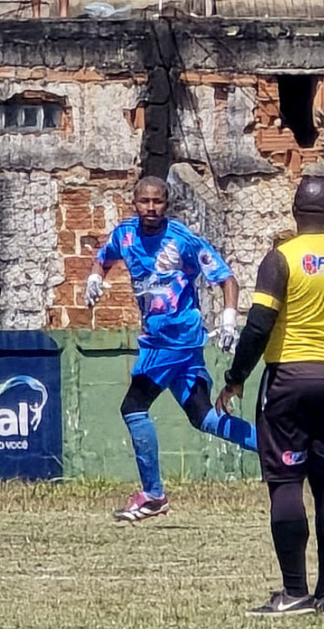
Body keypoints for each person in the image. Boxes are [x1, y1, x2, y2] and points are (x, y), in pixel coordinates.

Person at [217, 177, 324, 616]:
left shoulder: (281, 258)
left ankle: (293, 593)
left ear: (294, 212)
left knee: (286, 482)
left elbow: (258, 326)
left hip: (288, 379)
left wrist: (235, 378)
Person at [86, 176, 256, 522]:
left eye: (158, 202)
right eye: (145, 201)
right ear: (134, 202)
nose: (151, 208)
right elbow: (103, 257)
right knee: (203, 417)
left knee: (133, 408)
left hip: (175, 339)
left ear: (168, 204)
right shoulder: (125, 235)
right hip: (159, 340)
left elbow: (227, 280)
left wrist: (227, 319)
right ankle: (279, 450)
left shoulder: (183, 240)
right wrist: (94, 278)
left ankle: (152, 495)